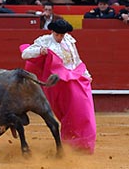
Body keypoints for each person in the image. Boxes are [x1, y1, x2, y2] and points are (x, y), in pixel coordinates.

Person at [19, 19, 96, 154]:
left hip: (74, 79)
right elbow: (25, 54)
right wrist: (40, 51)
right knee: (68, 113)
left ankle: (82, 143)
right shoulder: (44, 40)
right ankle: (70, 142)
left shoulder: (69, 40)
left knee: (83, 110)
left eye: (62, 34)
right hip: (58, 84)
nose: (60, 37)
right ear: (52, 31)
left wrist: (86, 74)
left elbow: (76, 60)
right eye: (58, 35)